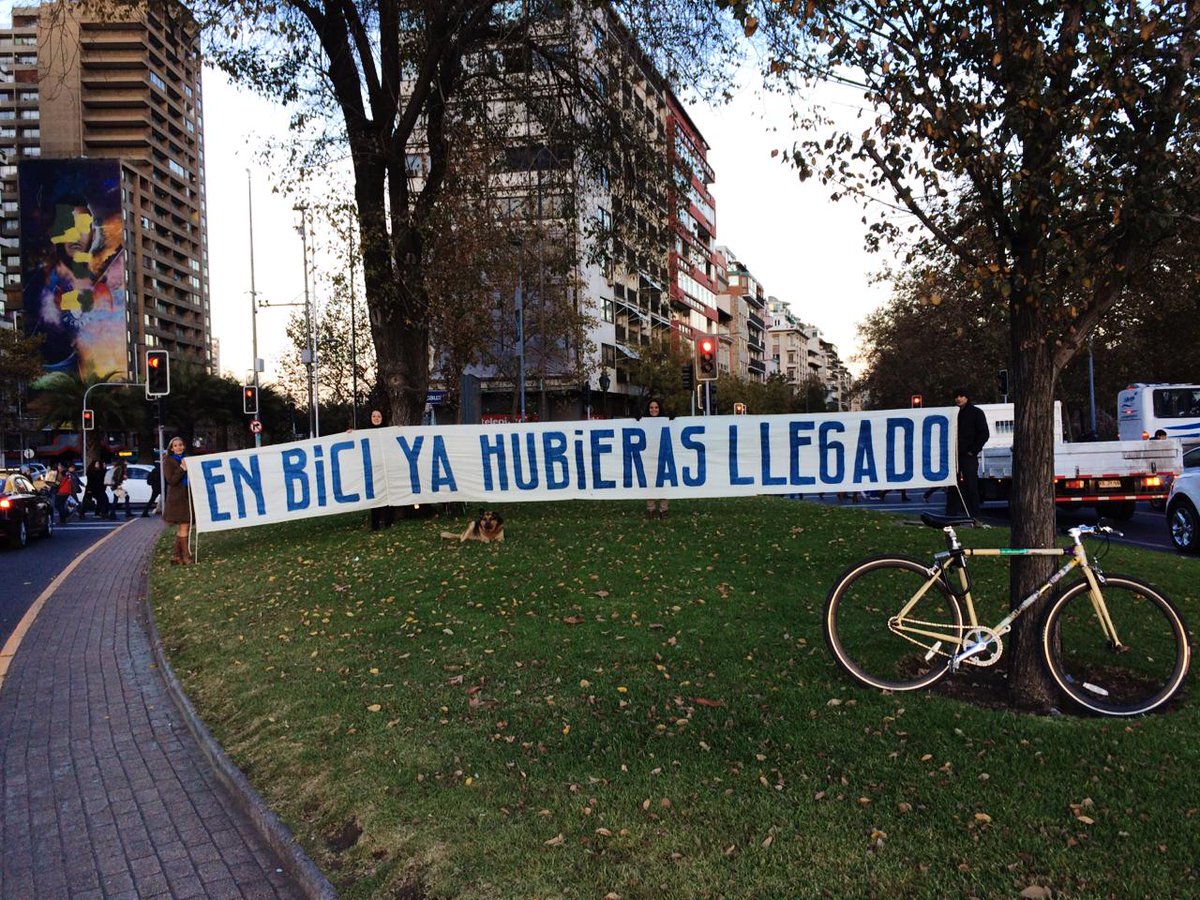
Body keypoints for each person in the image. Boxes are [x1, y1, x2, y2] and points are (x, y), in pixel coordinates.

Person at [948, 388, 989, 518]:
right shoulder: (952, 413)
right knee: (952, 485)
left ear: (967, 398)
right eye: (956, 396)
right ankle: (951, 513)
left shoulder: (976, 413)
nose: (958, 399)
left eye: (961, 396)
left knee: (971, 485)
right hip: (954, 456)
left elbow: (984, 433)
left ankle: (974, 515)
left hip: (968, 455)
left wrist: (973, 450)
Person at [162, 436, 194, 564]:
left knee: (183, 527)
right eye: (175, 445)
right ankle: (186, 556)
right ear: (171, 448)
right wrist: (182, 469)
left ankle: (176, 557)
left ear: (184, 446)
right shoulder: (168, 461)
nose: (178, 447)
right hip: (176, 500)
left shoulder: (188, 459)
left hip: (187, 497)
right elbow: (171, 480)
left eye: (180, 445)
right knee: (184, 526)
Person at [364, 408, 394, 531]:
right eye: (374, 416)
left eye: (379, 416)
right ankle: (375, 524)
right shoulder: (365, 432)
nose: (376, 418)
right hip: (372, 469)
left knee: (387, 494)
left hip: (385, 467)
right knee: (374, 497)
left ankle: (388, 522)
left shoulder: (387, 431)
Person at [643, 399, 669, 519]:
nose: (654, 410)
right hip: (649, 457)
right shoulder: (643, 422)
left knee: (664, 483)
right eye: (651, 408)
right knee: (650, 483)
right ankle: (651, 509)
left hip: (663, 457)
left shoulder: (666, 421)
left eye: (656, 407)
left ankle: (664, 510)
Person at [85, 454, 110, 519]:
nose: (98, 465)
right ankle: (103, 513)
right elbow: (90, 481)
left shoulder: (101, 471)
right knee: (88, 501)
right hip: (94, 489)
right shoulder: (91, 472)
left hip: (100, 489)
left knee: (102, 501)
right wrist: (89, 490)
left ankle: (100, 513)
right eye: (96, 464)